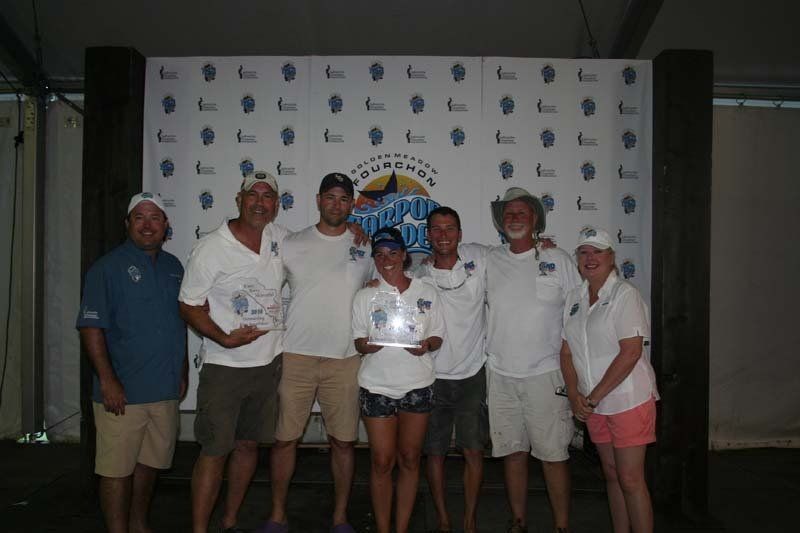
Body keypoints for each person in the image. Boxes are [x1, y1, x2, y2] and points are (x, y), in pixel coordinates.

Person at [179, 171, 287, 533]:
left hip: (268, 365)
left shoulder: (278, 238)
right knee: (214, 451)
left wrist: (357, 233)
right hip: (225, 367)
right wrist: (223, 338)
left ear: (276, 204)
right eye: (252, 195)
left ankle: (228, 521)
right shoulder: (212, 246)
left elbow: (319, 248)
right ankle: (198, 528)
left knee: (247, 446)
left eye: (268, 195)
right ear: (239, 200)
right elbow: (189, 305)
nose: (260, 202)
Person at [265, 173, 371, 533]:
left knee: (343, 442)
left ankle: (340, 516)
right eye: (330, 197)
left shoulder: (365, 246)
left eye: (344, 199)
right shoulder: (292, 243)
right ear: (318, 200)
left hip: (345, 358)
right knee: (284, 440)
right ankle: (277, 514)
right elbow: (261, 290)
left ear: (352, 205)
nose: (336, 204)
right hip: (297, 355)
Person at [77, 192, 187, 533]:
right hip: (121, 393)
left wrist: (182, 371)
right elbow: (91, 327)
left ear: (166, 226)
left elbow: (178, 324)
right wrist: (107, 380)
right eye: (139, 217)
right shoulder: (106, 269)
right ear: (127, 224)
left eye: (155, 217)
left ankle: (139, 524)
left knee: (150, 464)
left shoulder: (174, 267)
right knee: (115, 470)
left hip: (164, 389)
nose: (147, 225)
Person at [486, 187, 581, 533]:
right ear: (500, 222)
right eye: (508, 213)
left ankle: (562, 526)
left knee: (554, 456)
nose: (514, 218)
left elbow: (578, 314)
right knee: (513, 453)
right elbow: (446, 271)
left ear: (535, 220)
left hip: (546, 375)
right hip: (499, 374)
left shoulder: (560, 259)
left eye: (521, 213)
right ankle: (519, 522)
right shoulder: (488, 260)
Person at [560, 228, 658, 533]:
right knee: (613, 474)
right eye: (584, 252)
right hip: (593, 405)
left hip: (628, 400)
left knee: (631, 479)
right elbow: (566, 352)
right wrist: (575, 394)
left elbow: (630, 354)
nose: (590, 258)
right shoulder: (574, 297)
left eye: (597, 251)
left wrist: (590, 398)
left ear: (612, 257)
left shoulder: (624, 294)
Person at [352, 227, 445, 533]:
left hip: (417, 384)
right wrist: (371, 344)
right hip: (376, 386)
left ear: (404, 255)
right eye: (379, 254)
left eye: (393, 252)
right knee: (381, 461)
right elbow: (358, 343)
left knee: (409, 459)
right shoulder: (365, 295)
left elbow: (436, 336)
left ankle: (401, 528)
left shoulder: (427, 291)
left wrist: (426, 346)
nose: (386, 259)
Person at [413, 206, 488, 533]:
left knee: (473, 450)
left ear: (460, 233)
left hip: (473, 373)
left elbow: (519, 255)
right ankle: (443, 519)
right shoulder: (418, 276)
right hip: (432, 376)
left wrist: (540, 243)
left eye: (450, 229)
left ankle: (470, 520)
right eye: (437, 229)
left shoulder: (481, 259)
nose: (444, 235)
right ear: (427, 235)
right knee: (435, 453)